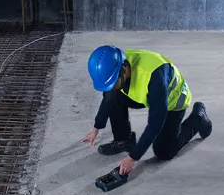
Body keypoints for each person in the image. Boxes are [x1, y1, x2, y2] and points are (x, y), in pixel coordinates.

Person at [82, 45, 212, 175]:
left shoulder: (155, 78)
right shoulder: (116, 64)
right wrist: (96, 128)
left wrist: (133, 157)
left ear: (123, 70)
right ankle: (124, 140)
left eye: (113, 83)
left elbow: (155, 123)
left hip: (173, 101)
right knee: (113, 95)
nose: (111, 87)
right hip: (147, 94)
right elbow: (108, 98)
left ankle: (198, 118)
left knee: (164, 152)